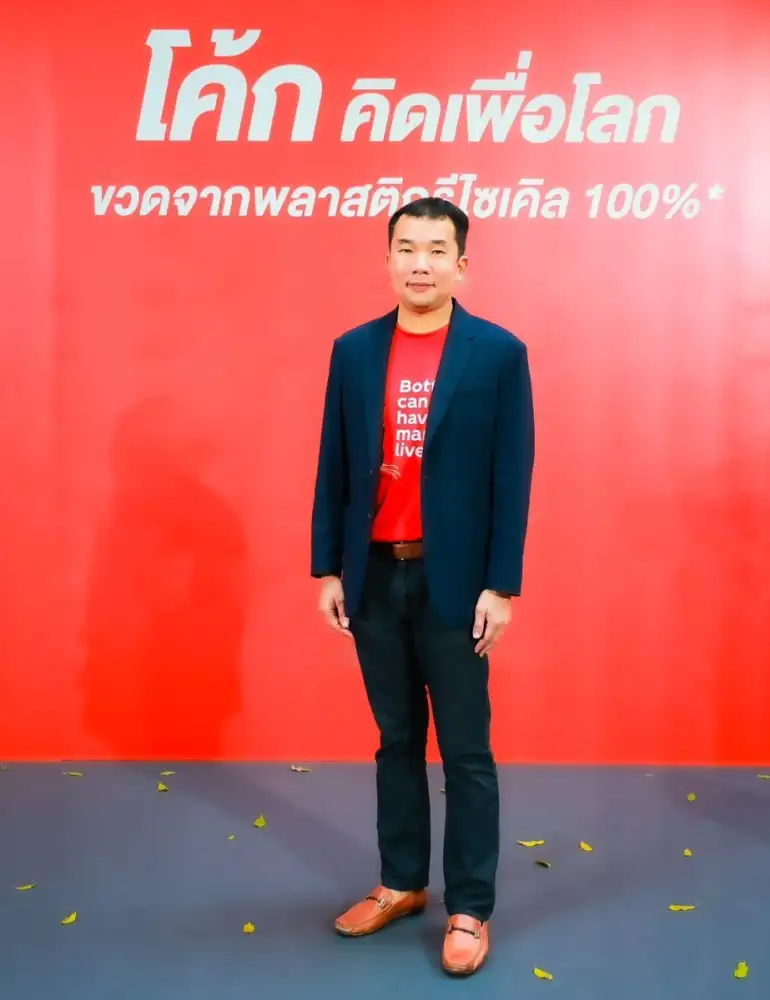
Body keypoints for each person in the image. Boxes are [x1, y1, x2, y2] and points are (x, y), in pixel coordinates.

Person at [310, 197, 535, 975]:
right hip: (375, 576)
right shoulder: (353, 350)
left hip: (456, 582)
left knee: (466, 751)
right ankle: (402, 882)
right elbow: (335, 464)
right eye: (406, 248)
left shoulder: (497, 353)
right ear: (387, 259)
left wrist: (501, 585)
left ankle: (469, 907)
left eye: (437, 250)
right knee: (396, 740)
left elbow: (512, 474)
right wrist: (329, 567)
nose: (420, 263)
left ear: (461, 265)